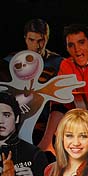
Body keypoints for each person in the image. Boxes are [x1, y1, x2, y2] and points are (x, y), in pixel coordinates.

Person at [38, 23, 88, 155]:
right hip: (85, 128)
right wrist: (47, 141)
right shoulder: (66, 65)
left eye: (81, 42)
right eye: (71, 45)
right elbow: (59, 105)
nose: (77, 49)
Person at [4, 18, 64, 146]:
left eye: (40, 40)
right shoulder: (10, 62)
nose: (36, 46)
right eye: (31, 40)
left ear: (47, 38)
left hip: (47, 128)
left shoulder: (59, 63)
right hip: (16, 126)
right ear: (25, 38)